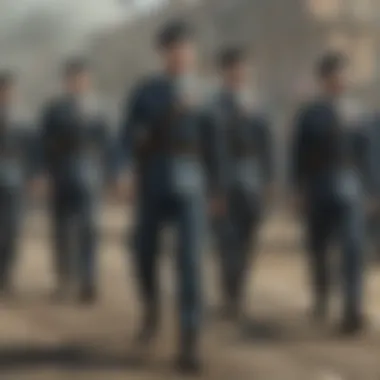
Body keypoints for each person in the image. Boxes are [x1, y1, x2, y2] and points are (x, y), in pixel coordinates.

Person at [118, 20, 214, 373]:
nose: (181, 54)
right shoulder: (147, 92)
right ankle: (151, 307)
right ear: (163, 53)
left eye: (186, 48)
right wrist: (123, 170)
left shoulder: (206, 94)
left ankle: (189, 340)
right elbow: (126, 137)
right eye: (173, 49)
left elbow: (214, 145)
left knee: (189, 262)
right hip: (153, 181)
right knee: (144, 252)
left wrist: (217, 189)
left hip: (192, 184)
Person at [291, 52, 366, 334]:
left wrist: (372, 189)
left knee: (353, 247)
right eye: (334, 75)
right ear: (324, 80)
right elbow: (298, 154)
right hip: (319, 186)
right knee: (318, 247)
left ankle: (352, 307)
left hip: (352, 186)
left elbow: (369, 155)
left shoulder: (359, 114)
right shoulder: (311, 115)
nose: (339, 80)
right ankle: (321, 293)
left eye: (343, 74)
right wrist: (298, 188)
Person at [206, 46, 273, 322]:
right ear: (224, 72)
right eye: (233, 67)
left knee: (248, 241)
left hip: (252, 178)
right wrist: (212, 188)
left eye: (243, 67)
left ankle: (239, 292)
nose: (239, 73)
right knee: (226, 241)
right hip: (224, 178)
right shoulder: (213, 107)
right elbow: (208, 149)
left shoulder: (257, 105)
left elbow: (267, 146)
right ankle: (230, 296)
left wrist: (269, 180)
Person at [38, 58, 112, 304]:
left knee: (89, 229)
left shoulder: (99, 109)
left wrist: (112, 174)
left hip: (90, 171)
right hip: (61, 171)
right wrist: (43, 174)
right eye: (74, 78)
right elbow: (43, 144)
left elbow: (108, 144)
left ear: (88, 80)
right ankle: (64, 278)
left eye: (82, 78)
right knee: (61, 230)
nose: (79, 83)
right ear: (67, 82)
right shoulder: (55, 109)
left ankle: (88, 280)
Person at [0, 71, 35, 294]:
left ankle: (6, 276)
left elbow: (34, 151)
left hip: (15, 180)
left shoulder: (23, 120)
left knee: (12, 231)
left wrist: (35, 176)